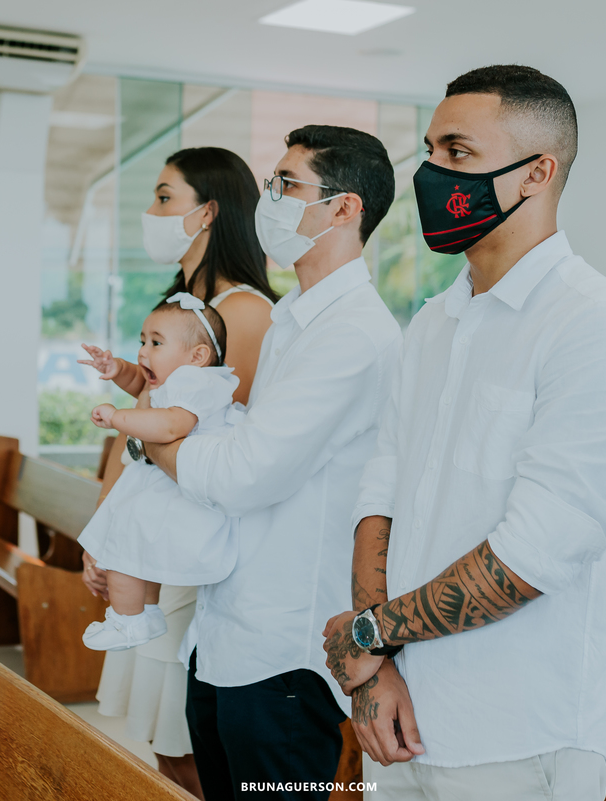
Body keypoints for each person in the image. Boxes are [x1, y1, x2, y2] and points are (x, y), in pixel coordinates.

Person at [323, 65, 606, 800]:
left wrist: (367, 634)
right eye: (431, 150)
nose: (431, 173)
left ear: (536, 173)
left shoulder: (595, 327)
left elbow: (538, 549)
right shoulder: (433, 323)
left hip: (518, 730)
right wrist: (376, 664)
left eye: (458, 153)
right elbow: (380, 489)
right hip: (400, 712)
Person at [141, 125, 402, 801]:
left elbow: (246, 470)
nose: (270, 200)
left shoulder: (355, 333)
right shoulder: (295, 315)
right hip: (227, 630)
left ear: (346, 209)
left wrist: (152, 440)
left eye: (287, 185)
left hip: (284, 653)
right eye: (270, 184)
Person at [78, 146, 279, 799]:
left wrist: (147, 544)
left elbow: (211, 441)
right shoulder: (180, 305)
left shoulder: (242, 312)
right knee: (166, 745)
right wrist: (105, 536)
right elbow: (145, 418)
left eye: (165, 197)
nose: (151, 212)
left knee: (186, 744)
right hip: (147, 523)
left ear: (208, 211)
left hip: (187, 540)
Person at [78, 295, 237, 651]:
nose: (143, 351)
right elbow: (142, 384)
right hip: (162, 486)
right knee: (136, 556)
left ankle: (127, 621)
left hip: (174, 493)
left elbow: (170, 426)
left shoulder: (196, 384)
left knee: (121, 551)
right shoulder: (176, 381)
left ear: (197, 356)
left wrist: (118, 418)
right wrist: (116, 367)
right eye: (142, 341)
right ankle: (143, 614)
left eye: (156, 342)